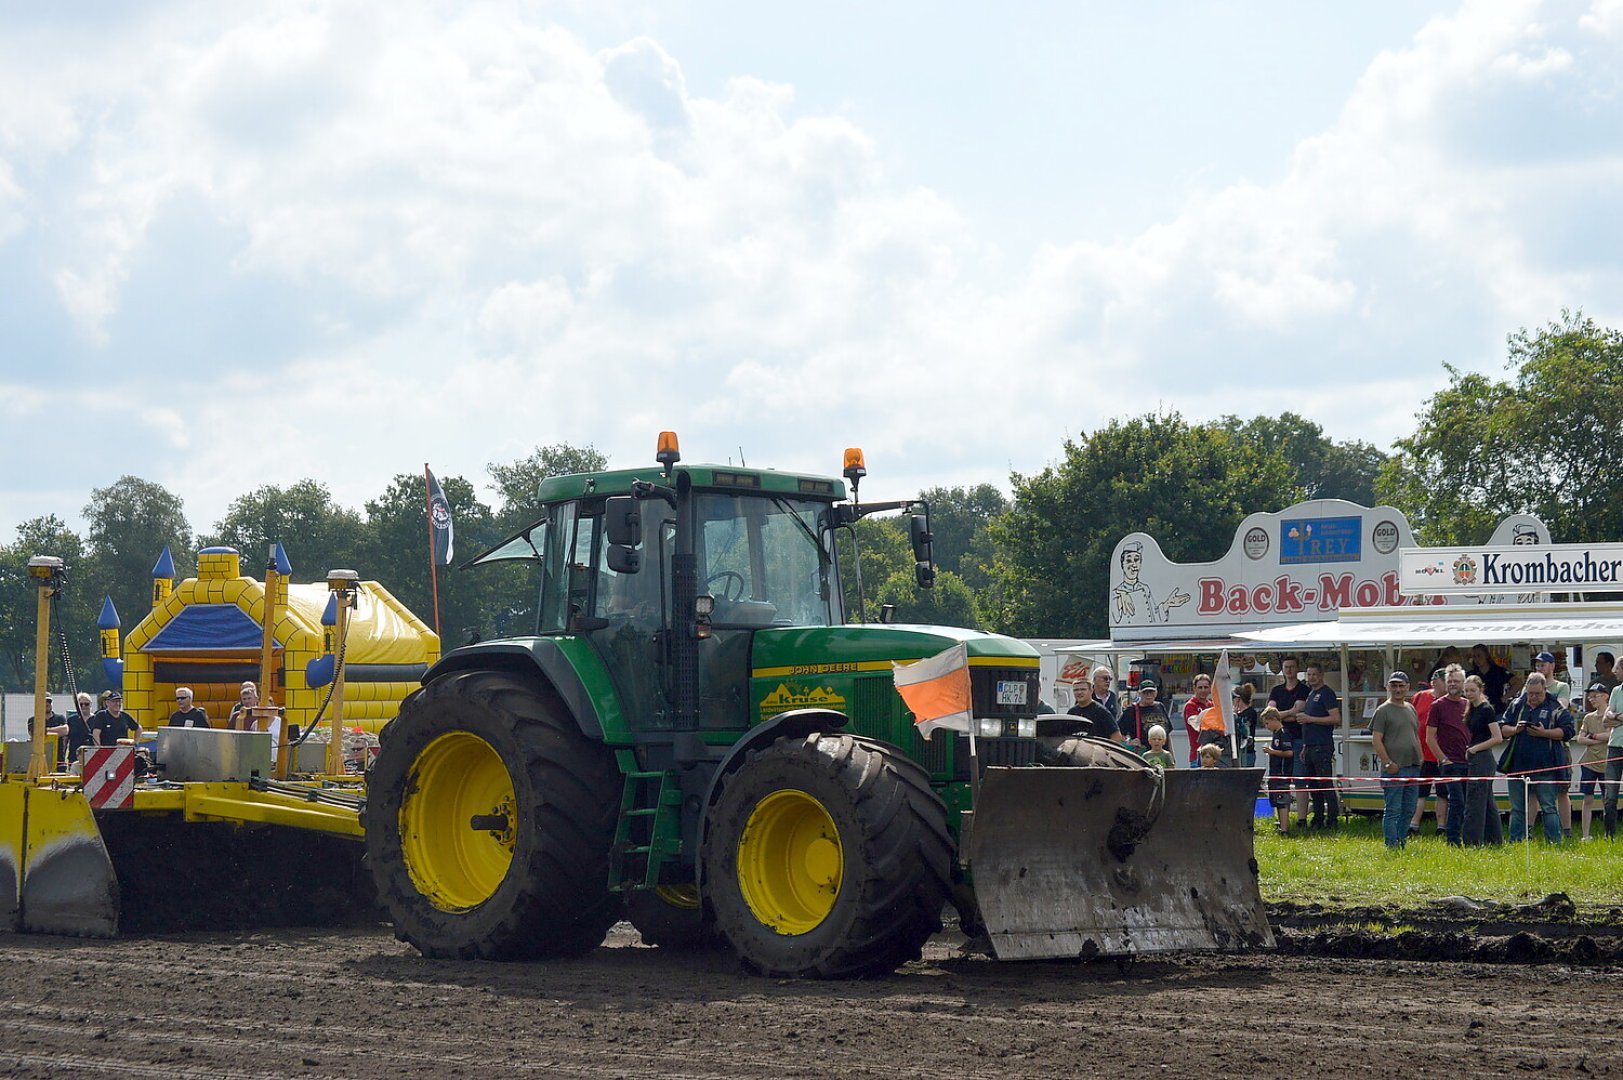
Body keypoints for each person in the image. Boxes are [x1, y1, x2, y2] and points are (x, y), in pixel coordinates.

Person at [1499, 672, 1575, 843]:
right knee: (1517, 808)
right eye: (1530, 693)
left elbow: (1568, 731)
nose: (1533, 697)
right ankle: (1516, 842)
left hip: (1545, 765)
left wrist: (1544, 733)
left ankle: (1554, 843)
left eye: (1537, 694)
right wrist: (1515, 730)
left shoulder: (1555, 707)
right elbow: (1502, 729)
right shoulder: (1516, 704)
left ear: (1545, 690)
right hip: (1517, 765)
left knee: (1548, 807)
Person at [1370, 671, 1422, 849]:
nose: (1398, 689)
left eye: (1401, 686)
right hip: (1394, 768)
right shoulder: (1383, 710)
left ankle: (1401, 842)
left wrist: (1420, 756)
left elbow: (1415, 734)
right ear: (1388, 688)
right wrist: (1388, 763)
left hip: (1413, 767)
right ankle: (1391, 845)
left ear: (1407, 687)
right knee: (1393, 810)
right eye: (1394, 686)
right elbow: (1376, 739)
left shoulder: (1411, 708)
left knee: (1409, 809)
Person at [1424, 664, 1472, 845]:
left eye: (1456, 681)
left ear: (1463, 683)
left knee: (1468, 803)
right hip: (1450, 764)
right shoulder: (1437, 705)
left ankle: (1468, 837)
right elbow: (1430, 737)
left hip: (1468, 761)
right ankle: (1452, 839)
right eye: (1450, 681)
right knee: (1457, 802)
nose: (1453, 684)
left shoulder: (1468, 704)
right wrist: (1443, 759)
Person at [1532, 651, 1574, 836]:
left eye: (1543, 664)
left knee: (1562, 790)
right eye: (1537, 665)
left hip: (1559, 748)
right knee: (1531, 790)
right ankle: (1529, 830)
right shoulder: (1530, 687)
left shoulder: (1561, 686)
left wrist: (1541, 695)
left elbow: (1561, 707)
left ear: (1552, 666)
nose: (1539, 667)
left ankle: (1567, 830)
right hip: (1536, 746)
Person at [1461, 674, 1504, 846]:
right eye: (1467, 691)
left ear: (1481, 690)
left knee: (1474, 802)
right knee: (1486, 801)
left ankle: (1472, 842)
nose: (1469, 694)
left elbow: (1497, 737)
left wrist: (1474, 748)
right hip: (1477, 756)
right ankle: (1494, 840)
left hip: (1483, 758)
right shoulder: (1472, 708)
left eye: (1473, 690)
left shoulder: (1486, 710)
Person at [1268, 658, 1310, 828]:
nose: (1289, 670)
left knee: (1300, 778)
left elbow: (1299, 710)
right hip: (1280, 740)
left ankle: (1301, 819)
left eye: (1292, 667)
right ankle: (1283, 819)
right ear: (1282, 670)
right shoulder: (1276, 690)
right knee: (1281, 780)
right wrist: (1290, 713)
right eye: (1286, 667)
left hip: (1299, 738)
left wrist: (1281, 714)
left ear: (1297, 668)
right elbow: (1269, 714)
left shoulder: (1303, 689)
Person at [1298, 663, 1341, 828]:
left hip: (1322, 745)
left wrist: (1310, 719)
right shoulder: (1311, 694)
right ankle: (1317, 818)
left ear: (1321, 675)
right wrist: (1304, 746)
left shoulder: (1327, 693)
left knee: (1325, 783)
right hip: (1309, 745)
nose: (1311, 678)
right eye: (1309, 675)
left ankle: (1332, 819)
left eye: (1314, 674)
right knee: (1313, 785)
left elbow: (1335, 718)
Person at [1409, 669, 1446, 838]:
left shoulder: (1452, 701)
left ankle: (1441, 826)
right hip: (1422, 753)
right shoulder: (1420, 697)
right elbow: (1411, 721)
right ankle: (1413, 825)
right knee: (1420, 792)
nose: (1436, 683)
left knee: (1443, 792)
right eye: (1441, 680)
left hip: (1443, 754)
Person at [1574, 682, 1611, 841]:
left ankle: (1608, 833)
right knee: (1587, 798)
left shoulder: (1611, 715)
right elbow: (1580, 738)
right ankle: (1585, 834)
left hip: (1606, 762)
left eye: (1595, 696)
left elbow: (1610, 735)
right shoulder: (1588, 717)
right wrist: (1598, 739)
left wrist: (1593, 737)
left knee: (1607, 799)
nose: (1591, 699)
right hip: (1588, 762)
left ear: (1605, 696)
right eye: (1590, 696)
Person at [1260, 706, 1295, 835]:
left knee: (1282, 802)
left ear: (1274, 719)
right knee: (1276, 801)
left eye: (1267, 723)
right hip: (1275, 773)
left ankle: (1285, 829)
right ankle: (1281, 826)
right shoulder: (1276, 734)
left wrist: (1272, 751)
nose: (1266, 726)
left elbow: (1289, 753)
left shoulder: (1284, 733)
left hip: (1282, 773)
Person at [1117, 680, 1169, 751]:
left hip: (1163, 755)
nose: (1148, 695)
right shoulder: (1131, 710)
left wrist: (1172, 756)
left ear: (1156, 693)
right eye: (1145, 693)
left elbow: (1167, 735)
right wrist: (1128, 742)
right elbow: (1117, 733)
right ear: (1139, 694)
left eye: (1151, 692)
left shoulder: (1160, 706)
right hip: (1142, 756)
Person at [1182, 673, 1213, 767]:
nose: (1203, 690)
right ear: (1194, 688)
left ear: (1210, 688)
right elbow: (1197, 726)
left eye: (1206, 687)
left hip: (1213, 756)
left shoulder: (1212, 705)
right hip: (1197, 756)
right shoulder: (1190, 705)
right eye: (1200, 687)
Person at [1468, 643, 1510, 713]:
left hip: (1497, 709)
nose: (1477, 659)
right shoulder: (1471, 674)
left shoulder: (1498, 671)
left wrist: (1504, 698)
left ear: (1486, 655)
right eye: (1474, 657)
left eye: (1479, 655)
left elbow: (1517, 682)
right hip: (1477, 710)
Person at [1606, 677, 1623, 839]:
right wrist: (1618, 717)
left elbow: (1611, 715)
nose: (1615, 673)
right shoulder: (1616, 691)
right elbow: (1606, 718)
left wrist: (1614, 717)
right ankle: (1609, 835)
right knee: (1610, 795)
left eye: (1617, 669)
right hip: (1614, 746)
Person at [1232, 683, 1258, 768]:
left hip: (1247, 751)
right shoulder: (1236, 714)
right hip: (1236, 751)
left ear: (1238, 699)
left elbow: (1245, 729)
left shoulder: (1251, 712)